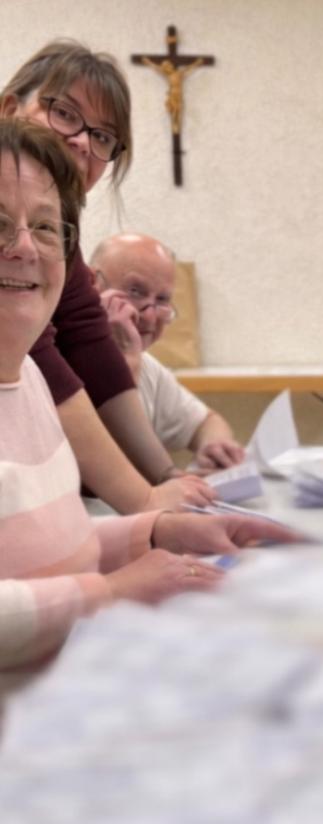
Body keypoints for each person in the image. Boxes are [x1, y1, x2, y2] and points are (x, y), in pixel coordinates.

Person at [0, 118, 297, 672]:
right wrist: (110, 593)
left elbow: (42, 549)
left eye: (45, 228)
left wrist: (155, 532)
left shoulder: (32, 380)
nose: (23, 247)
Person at [1, 40, 214, 511]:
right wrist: (146, 501)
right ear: (9, 106)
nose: (81, 141)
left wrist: (164, 477)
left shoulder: (64, 249)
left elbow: (89, 347)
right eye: (65, 113)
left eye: (102, 137)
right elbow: (44, 358)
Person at [91, 233, 246, 472]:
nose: (150, 316)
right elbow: (105, 471)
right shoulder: (53, 362)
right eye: (135, 291)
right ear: (92, 286)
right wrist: (125, 369)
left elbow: (206, 422)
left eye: (162, 299)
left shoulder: (148, 368)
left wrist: (214, 445)